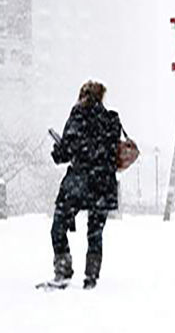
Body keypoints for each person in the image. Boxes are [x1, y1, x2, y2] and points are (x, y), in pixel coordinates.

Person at [48, 80, 122, 289]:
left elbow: (65, 153)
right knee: (95, 232)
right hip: (104, 183)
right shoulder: (111, 120)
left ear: (82, 95)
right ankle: (91, 277)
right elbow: (110, 151)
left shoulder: (78, 115)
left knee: (58, 226)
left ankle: (63, 269)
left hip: (80, 183)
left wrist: (58, 150)